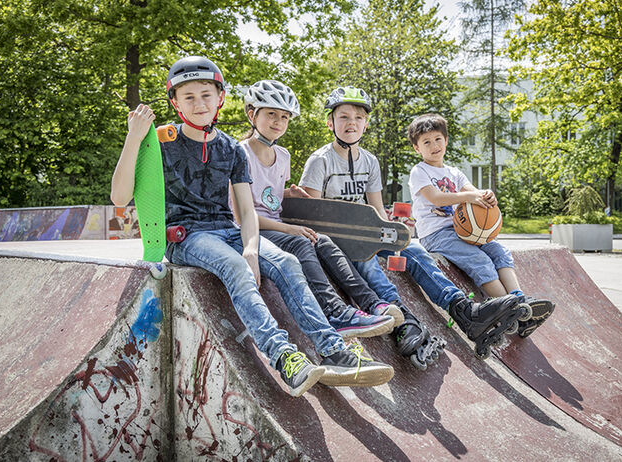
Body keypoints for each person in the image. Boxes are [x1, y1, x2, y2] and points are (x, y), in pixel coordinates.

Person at [110, 57, 392, 398]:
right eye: (189, 97)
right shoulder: (160, 142)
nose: (199, 104)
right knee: (234, 267)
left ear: (220, 99)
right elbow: (120, 196)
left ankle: (334, 348)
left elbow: (245, 209)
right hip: (185, 235)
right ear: (175, 102)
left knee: (288, 262)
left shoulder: (230, 148)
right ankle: (285, 356)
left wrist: (252, 248)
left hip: (225, 228)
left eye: (206, 95)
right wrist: (134, 138)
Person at [299, 86, 526, 365]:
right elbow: (313, 216)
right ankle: (404, 320)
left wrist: (395, 232)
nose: (351, 123)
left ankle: (463, 311)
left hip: (367, 231)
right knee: (368, 263)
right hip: (337, 238)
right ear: (330, 123)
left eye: (358, 118)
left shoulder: (370, 162)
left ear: (366, 124)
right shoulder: (319, 160)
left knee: (414, 249)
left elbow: (377, 210)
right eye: (343, 117)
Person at [236, 80, 403, 342]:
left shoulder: (283, 155)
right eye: (271, 114)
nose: (278, 122)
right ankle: (334, 312)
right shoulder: (239, 154)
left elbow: (267, 196)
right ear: (252, 114)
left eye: (284, 117)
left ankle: (372, 303)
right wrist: (289, 228)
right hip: (253, 231)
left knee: (323, 242)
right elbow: (243, 214)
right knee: (304, 243)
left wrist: (288, 194)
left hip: (275, 226)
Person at [407, 113, 555, 338]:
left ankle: (521, 302)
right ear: (417, 149)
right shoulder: (420, 172)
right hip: (436, 234)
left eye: (437, 139)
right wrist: (468, 198)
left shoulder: (454, 172)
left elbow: (472, 191)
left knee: (499, 250)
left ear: (446, 140)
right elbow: (436, 198)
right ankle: (510, 311)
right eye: (426, 142)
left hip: (461, 231)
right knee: (480, 260)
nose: (434, 146)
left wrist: (486, 195)